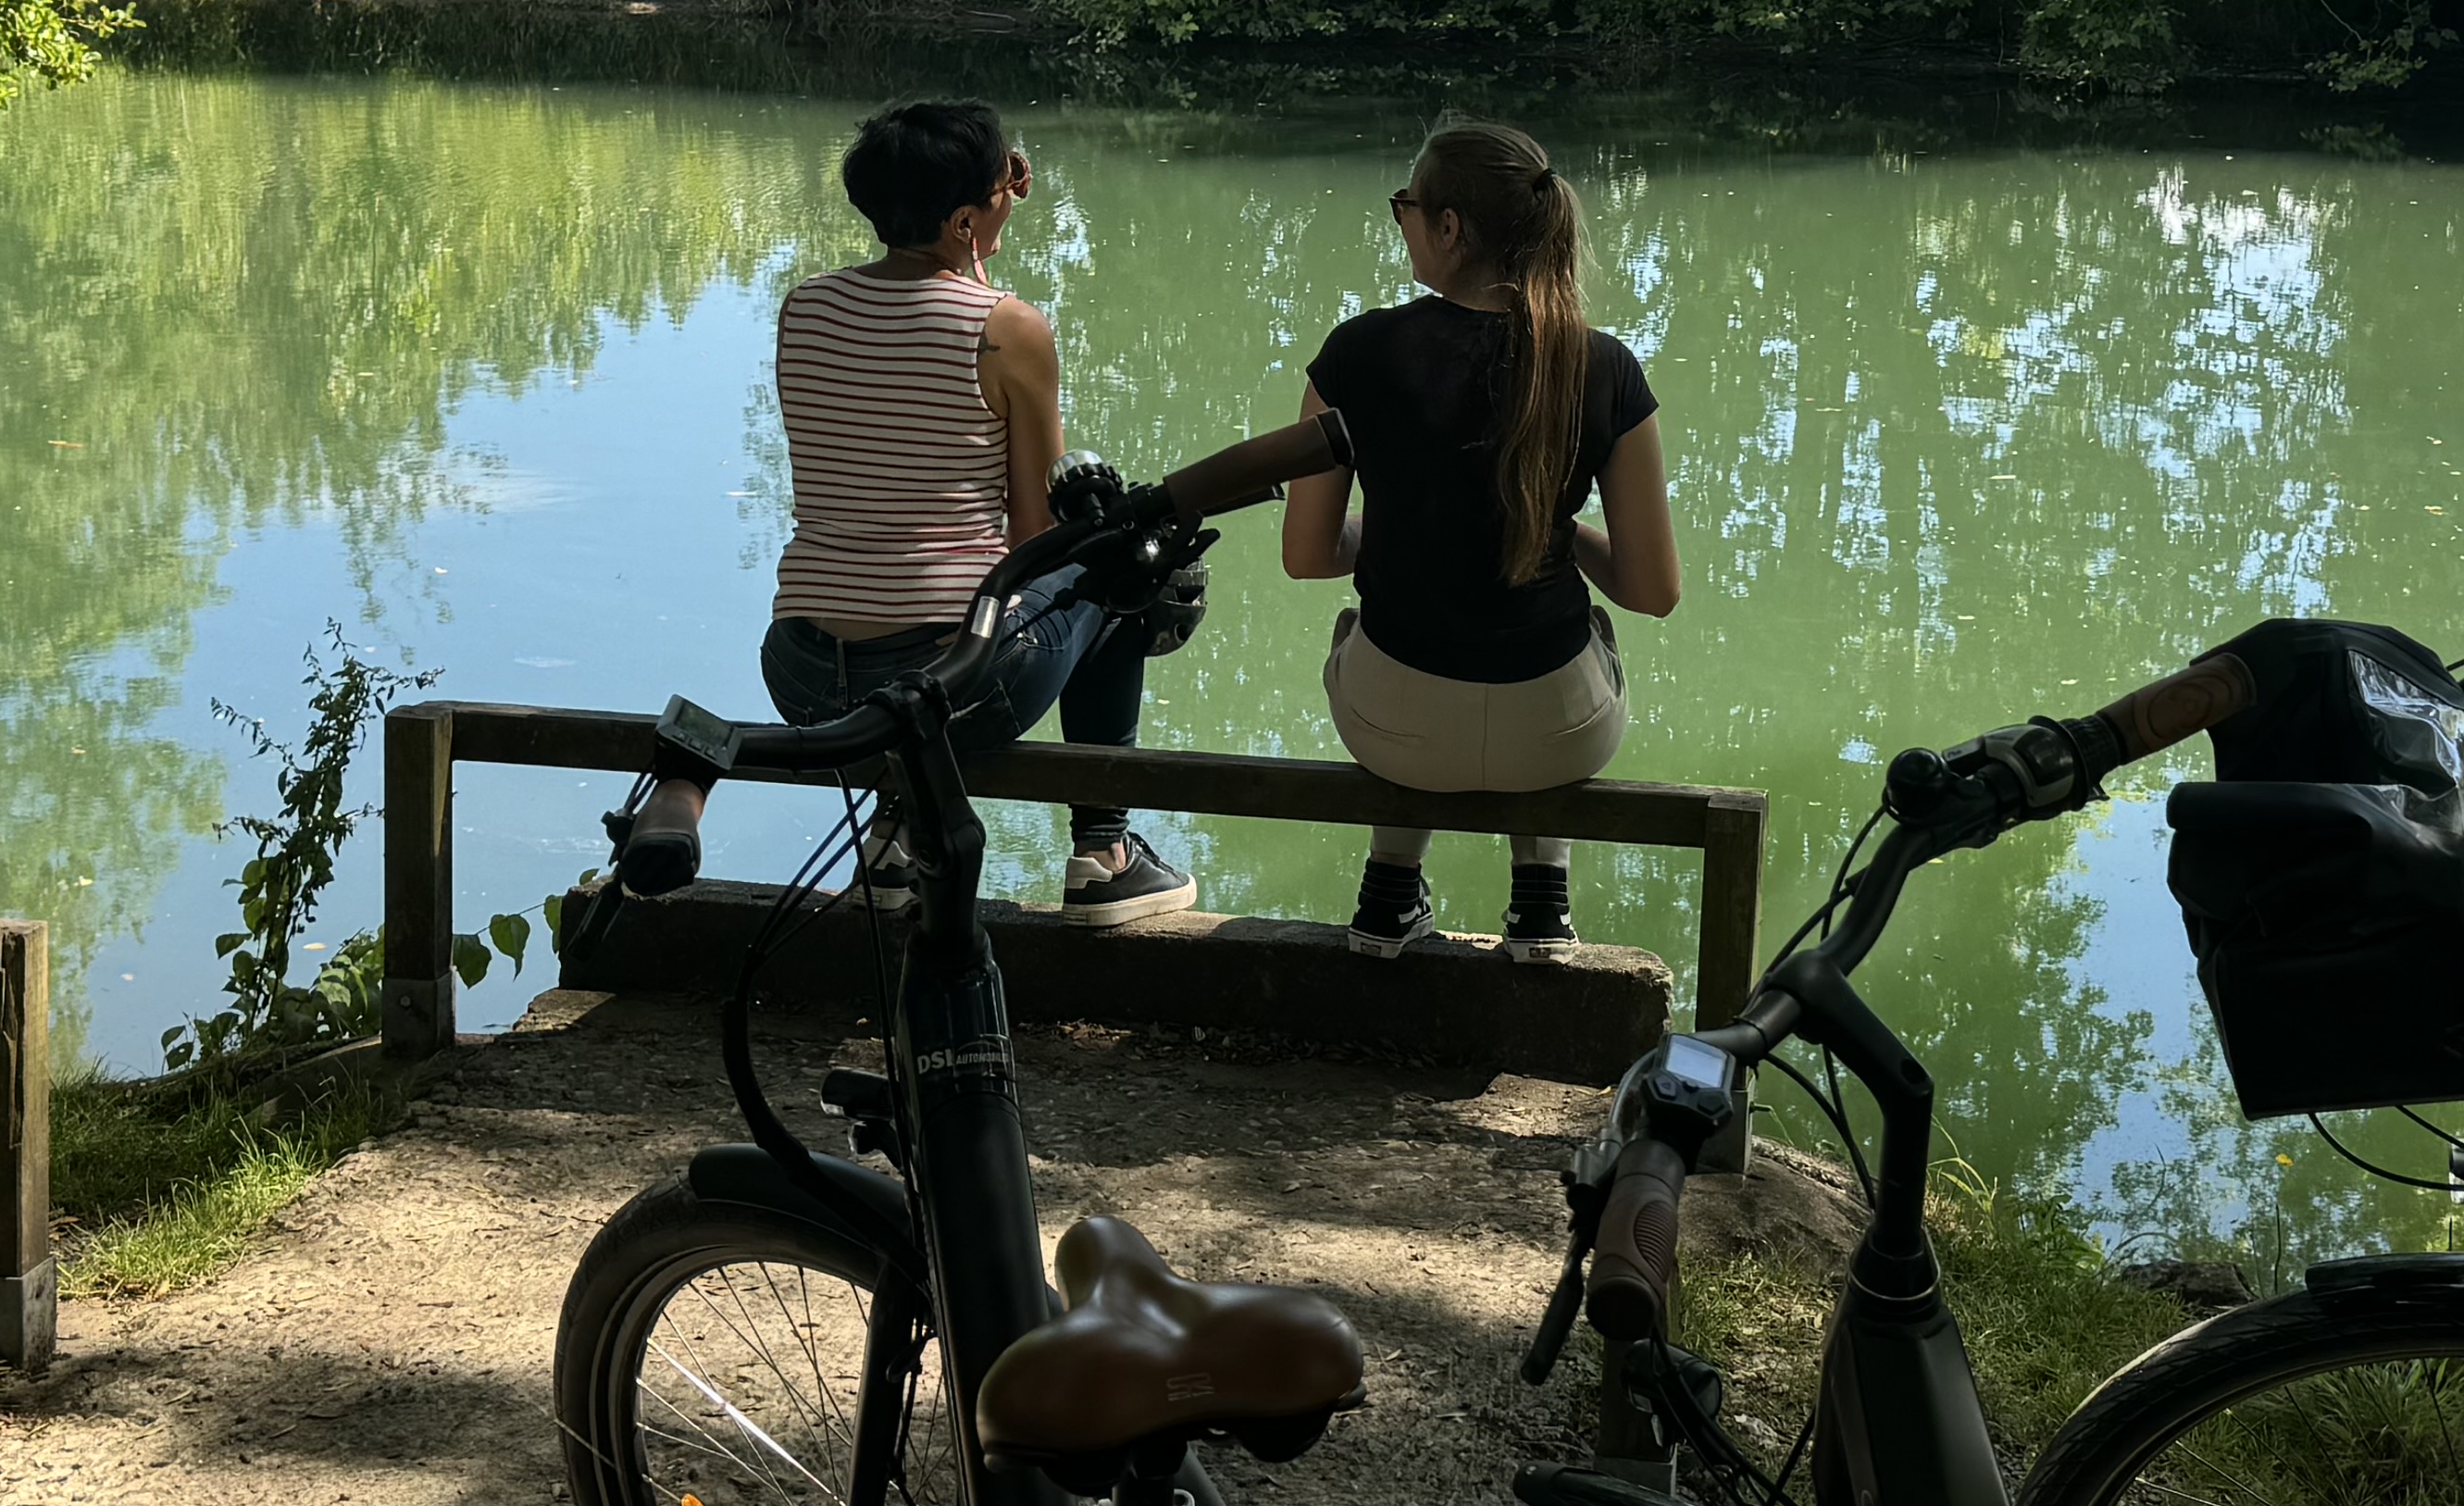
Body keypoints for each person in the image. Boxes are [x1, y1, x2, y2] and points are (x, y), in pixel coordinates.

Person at [612, 99, 1194, 914]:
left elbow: (920, 357)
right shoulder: (1010, 330)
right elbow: (1035, 536)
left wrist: (970, 238)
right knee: (1120, 573)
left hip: (805, 678)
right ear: (965, 218)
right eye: (1001, 190)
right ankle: (1106, 852)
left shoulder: (805, 308)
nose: (1009, 199)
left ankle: (893, 843)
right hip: (951, 691)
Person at [1281, 118, 1683, 945]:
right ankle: (1542, 901)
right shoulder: (1604, 366)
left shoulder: (1357, 354)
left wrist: (1400, 530)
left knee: (1366, 627)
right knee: (1585, 628)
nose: (1401, 221)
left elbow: (1307, 554)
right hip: (1558, 736)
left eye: (1406, 206)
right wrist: (1553, 532)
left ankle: (1389, 890)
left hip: (1397, 734)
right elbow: (1652, 590)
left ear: (1451, 229)